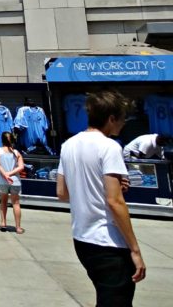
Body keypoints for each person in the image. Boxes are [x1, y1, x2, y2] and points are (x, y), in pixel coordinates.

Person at [57, 90, 146, 305]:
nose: (124, 124)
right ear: (111, 118)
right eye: (123, 118)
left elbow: (62, 193)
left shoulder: (68, 145)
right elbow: (114, 202)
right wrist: (135, 249)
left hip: (82, 239)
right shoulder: (109, 147)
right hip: (108, 242)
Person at [0, 131, 25, 233]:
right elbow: (21, 167)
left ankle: (3, 223)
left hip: (2, 180)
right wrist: (11, 173)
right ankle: (18, 227)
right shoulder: (16, 153)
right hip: (14, 181)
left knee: (3, 201)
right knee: (16, 203)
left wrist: (5, 174)